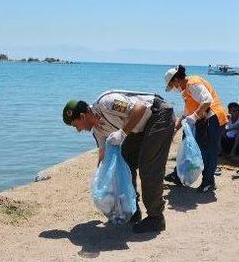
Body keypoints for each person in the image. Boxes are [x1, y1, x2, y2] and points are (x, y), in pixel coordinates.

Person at [62, 90, 174, 233]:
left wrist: (122, 133)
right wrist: (101, 180)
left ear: (83, 116)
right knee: (126, 163)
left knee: (149, 167)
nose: (78, 130)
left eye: (75, 125)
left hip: (158, 115)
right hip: (137, 127)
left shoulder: (107, 103)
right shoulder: (98, 131)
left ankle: (156, 218)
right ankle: (132, 210)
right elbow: (103, 155)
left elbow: (140, 107)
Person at [164, 65, 228, 192]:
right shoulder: (186, 90)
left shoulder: (193, 83)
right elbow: (186, 113)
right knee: (187, 146)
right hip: (203, 119)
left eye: (173, 86)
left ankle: (208, 182)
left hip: (214, 118)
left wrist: (194, 116)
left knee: (209, 152)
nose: (174, 89)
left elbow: (207, 101)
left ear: (176, 80)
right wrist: (175, 129)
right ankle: (178, 175)